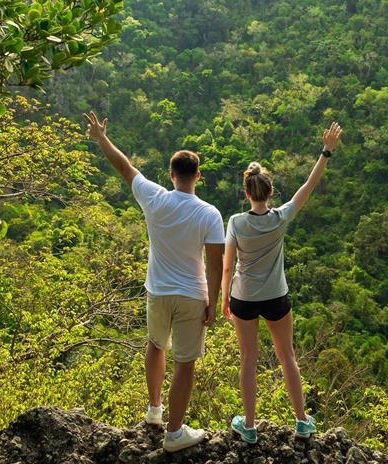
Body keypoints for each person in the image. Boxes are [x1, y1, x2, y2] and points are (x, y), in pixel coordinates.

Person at [84, 111, 225, 452]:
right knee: (185, 362)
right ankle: (174, 434)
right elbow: (216, 265)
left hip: (158, 290)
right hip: (192, 294)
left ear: (171, 174)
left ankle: (154, 410)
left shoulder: (154, 198)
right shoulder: (209, 213)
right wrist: (214, 303)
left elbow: (124, 166)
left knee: (155, 344)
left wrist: (102, 138)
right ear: (198, 176)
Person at [221, 122, 342, 443]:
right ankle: (302, 421)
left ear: (246, 193)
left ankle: (248, 425)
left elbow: (227, 266)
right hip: (276, 296)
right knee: (287, 356)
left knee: (248, 359)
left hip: (242, 298)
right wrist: (326, 152)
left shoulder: (235, 222)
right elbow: (308, 185)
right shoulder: (280, 217)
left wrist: (223, 300)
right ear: (270, 193)